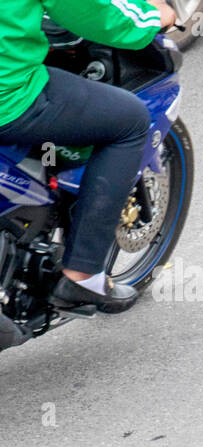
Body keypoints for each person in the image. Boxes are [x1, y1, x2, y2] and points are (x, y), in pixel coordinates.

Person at [0, 0, 176, 312]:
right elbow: (88, 10)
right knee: (131, 121)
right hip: (10, 98)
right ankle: (82, 274)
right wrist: (152, 16)